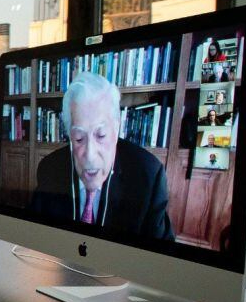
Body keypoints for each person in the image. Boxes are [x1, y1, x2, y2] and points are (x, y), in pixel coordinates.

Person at [28, 71, 173, 240]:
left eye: (101, 135)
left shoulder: (149, 176)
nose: (90, 155)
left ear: (116, 128)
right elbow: (34, 237)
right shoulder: (50, 168)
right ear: (69, 134)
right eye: (79, 138)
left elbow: (163, 256)